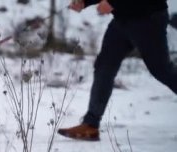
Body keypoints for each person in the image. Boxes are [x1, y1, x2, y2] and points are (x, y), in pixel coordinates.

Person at [58, 0, 177, 141]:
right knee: (104, 65)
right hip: (122, 20)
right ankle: (90, 124)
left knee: (162, 71)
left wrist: (114, 2)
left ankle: (91, 123)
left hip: (148, 18)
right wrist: (84, 2)